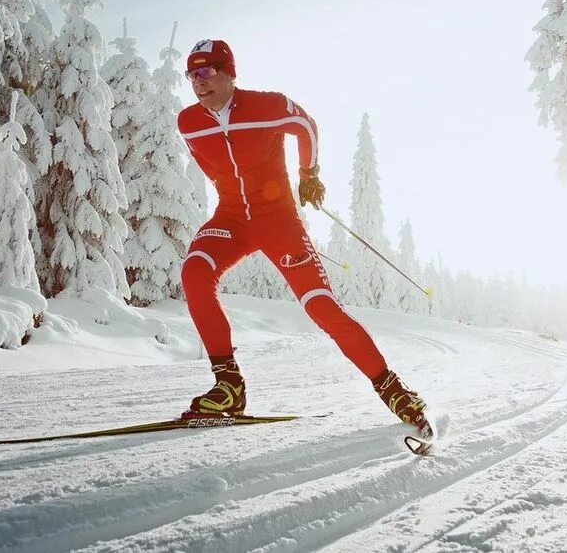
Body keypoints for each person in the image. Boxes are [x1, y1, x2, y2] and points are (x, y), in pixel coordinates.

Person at [176, 39, 431, 440]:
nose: (198, 82)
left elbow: (305, 125)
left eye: (206, 71)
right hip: (231, 218)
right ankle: (229, 385)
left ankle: (394, 391)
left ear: (229, 73)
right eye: (192, 74)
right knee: (194, 272)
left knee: (321, 306)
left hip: (278, 221)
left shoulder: (267, 105)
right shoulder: (188, 121)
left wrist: (308, 174)